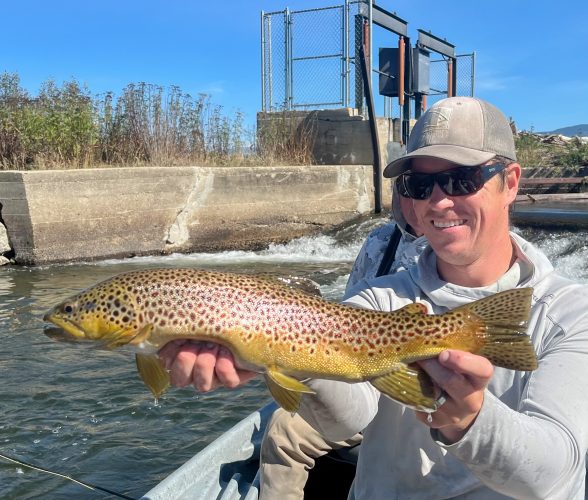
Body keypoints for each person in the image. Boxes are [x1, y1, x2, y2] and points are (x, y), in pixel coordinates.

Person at [159, 97, 588, 499]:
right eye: (419, 185)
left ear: (510, 182)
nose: (438, 201)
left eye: (460, 179)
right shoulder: (381, 299)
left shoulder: (569, 314)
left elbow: (554, 472)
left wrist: (469, 420)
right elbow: (348, 418)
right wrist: (289, 355)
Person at [260, 184, 427, 500]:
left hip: (420, 388)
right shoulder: (379, 242)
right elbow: (343, 322)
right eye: (413, 184)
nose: (425, 197)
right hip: (365, 379)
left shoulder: (461, 248)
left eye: (457, 182)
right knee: (283, 430)